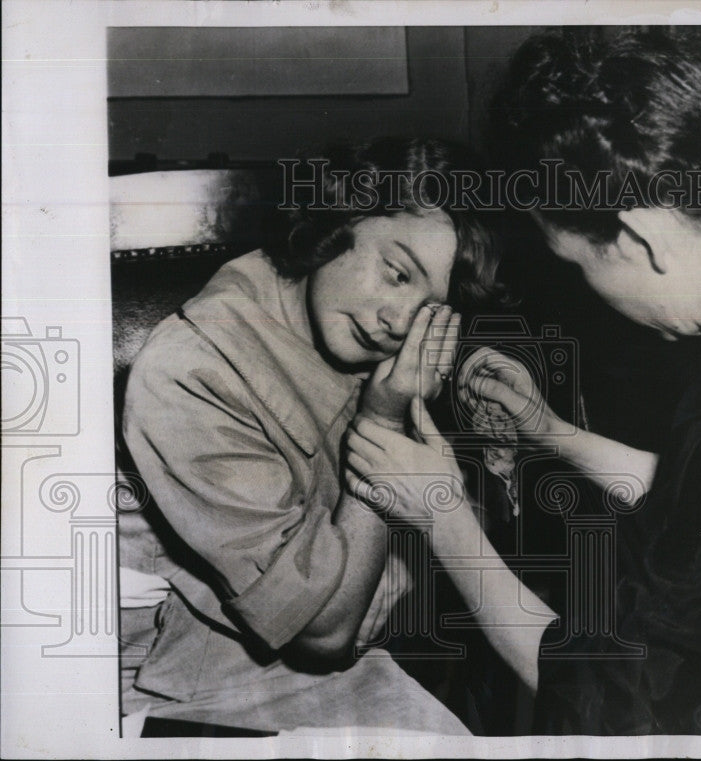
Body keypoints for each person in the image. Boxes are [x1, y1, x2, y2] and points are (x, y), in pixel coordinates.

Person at [344, 29, 701, 735]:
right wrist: (552, 431)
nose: (587, 287)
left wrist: (442, 515)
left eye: (579, 265)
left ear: (638, 241)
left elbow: (603, 697)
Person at [118, 137, 504, 734]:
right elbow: (322, 632)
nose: (400, 322)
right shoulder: (195, 368)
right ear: (338, 221)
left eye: (429, 309)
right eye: (396, 273)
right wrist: (382, 426)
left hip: (295, 646)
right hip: (173, 671)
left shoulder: (352, 334)